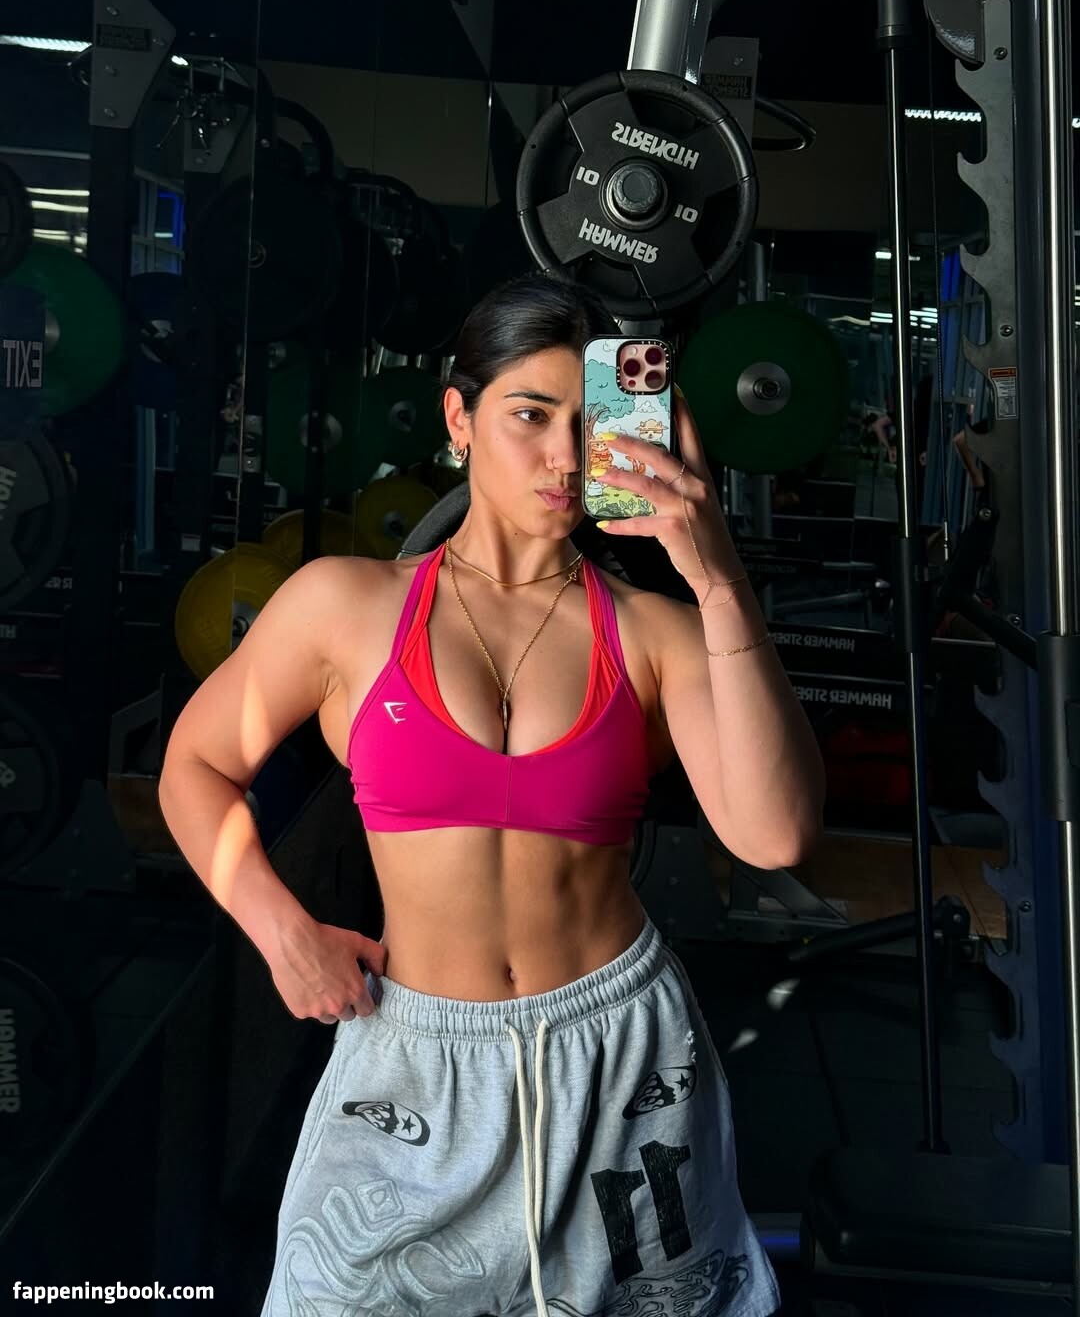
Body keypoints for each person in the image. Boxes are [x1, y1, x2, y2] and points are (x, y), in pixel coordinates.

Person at [158, 273, 825, 1317]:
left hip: (623, 1055)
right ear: (458, 418)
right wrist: (282, 932)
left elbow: (776, 835)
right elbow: (194, 767)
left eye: (589, 423)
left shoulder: (655, 631)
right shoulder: (345, 607)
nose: (564, 456)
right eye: (530, 414)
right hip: (415, 1055)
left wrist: (717, 577)